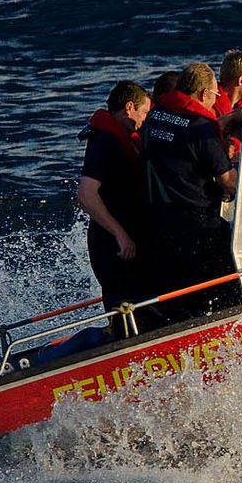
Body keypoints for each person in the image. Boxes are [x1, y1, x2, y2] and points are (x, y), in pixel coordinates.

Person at [139, 63, 239, 321]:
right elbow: (228, 181)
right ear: (205, 94)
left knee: (181, 296)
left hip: (160, 224)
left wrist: (222, 122)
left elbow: (182, 146)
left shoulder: (155, 117)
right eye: (216, 96)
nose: (216, 101)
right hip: (199, 225)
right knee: (226, 288)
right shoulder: (200, 127)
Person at [76, 80, 152, 336]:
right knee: (125, 309)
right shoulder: (105, 141)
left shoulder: (120, 138)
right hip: (113, 246)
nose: (144, 120)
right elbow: (86, 194)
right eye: (144, 113)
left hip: (123, 241)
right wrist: (120, 233)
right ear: (129, 108)